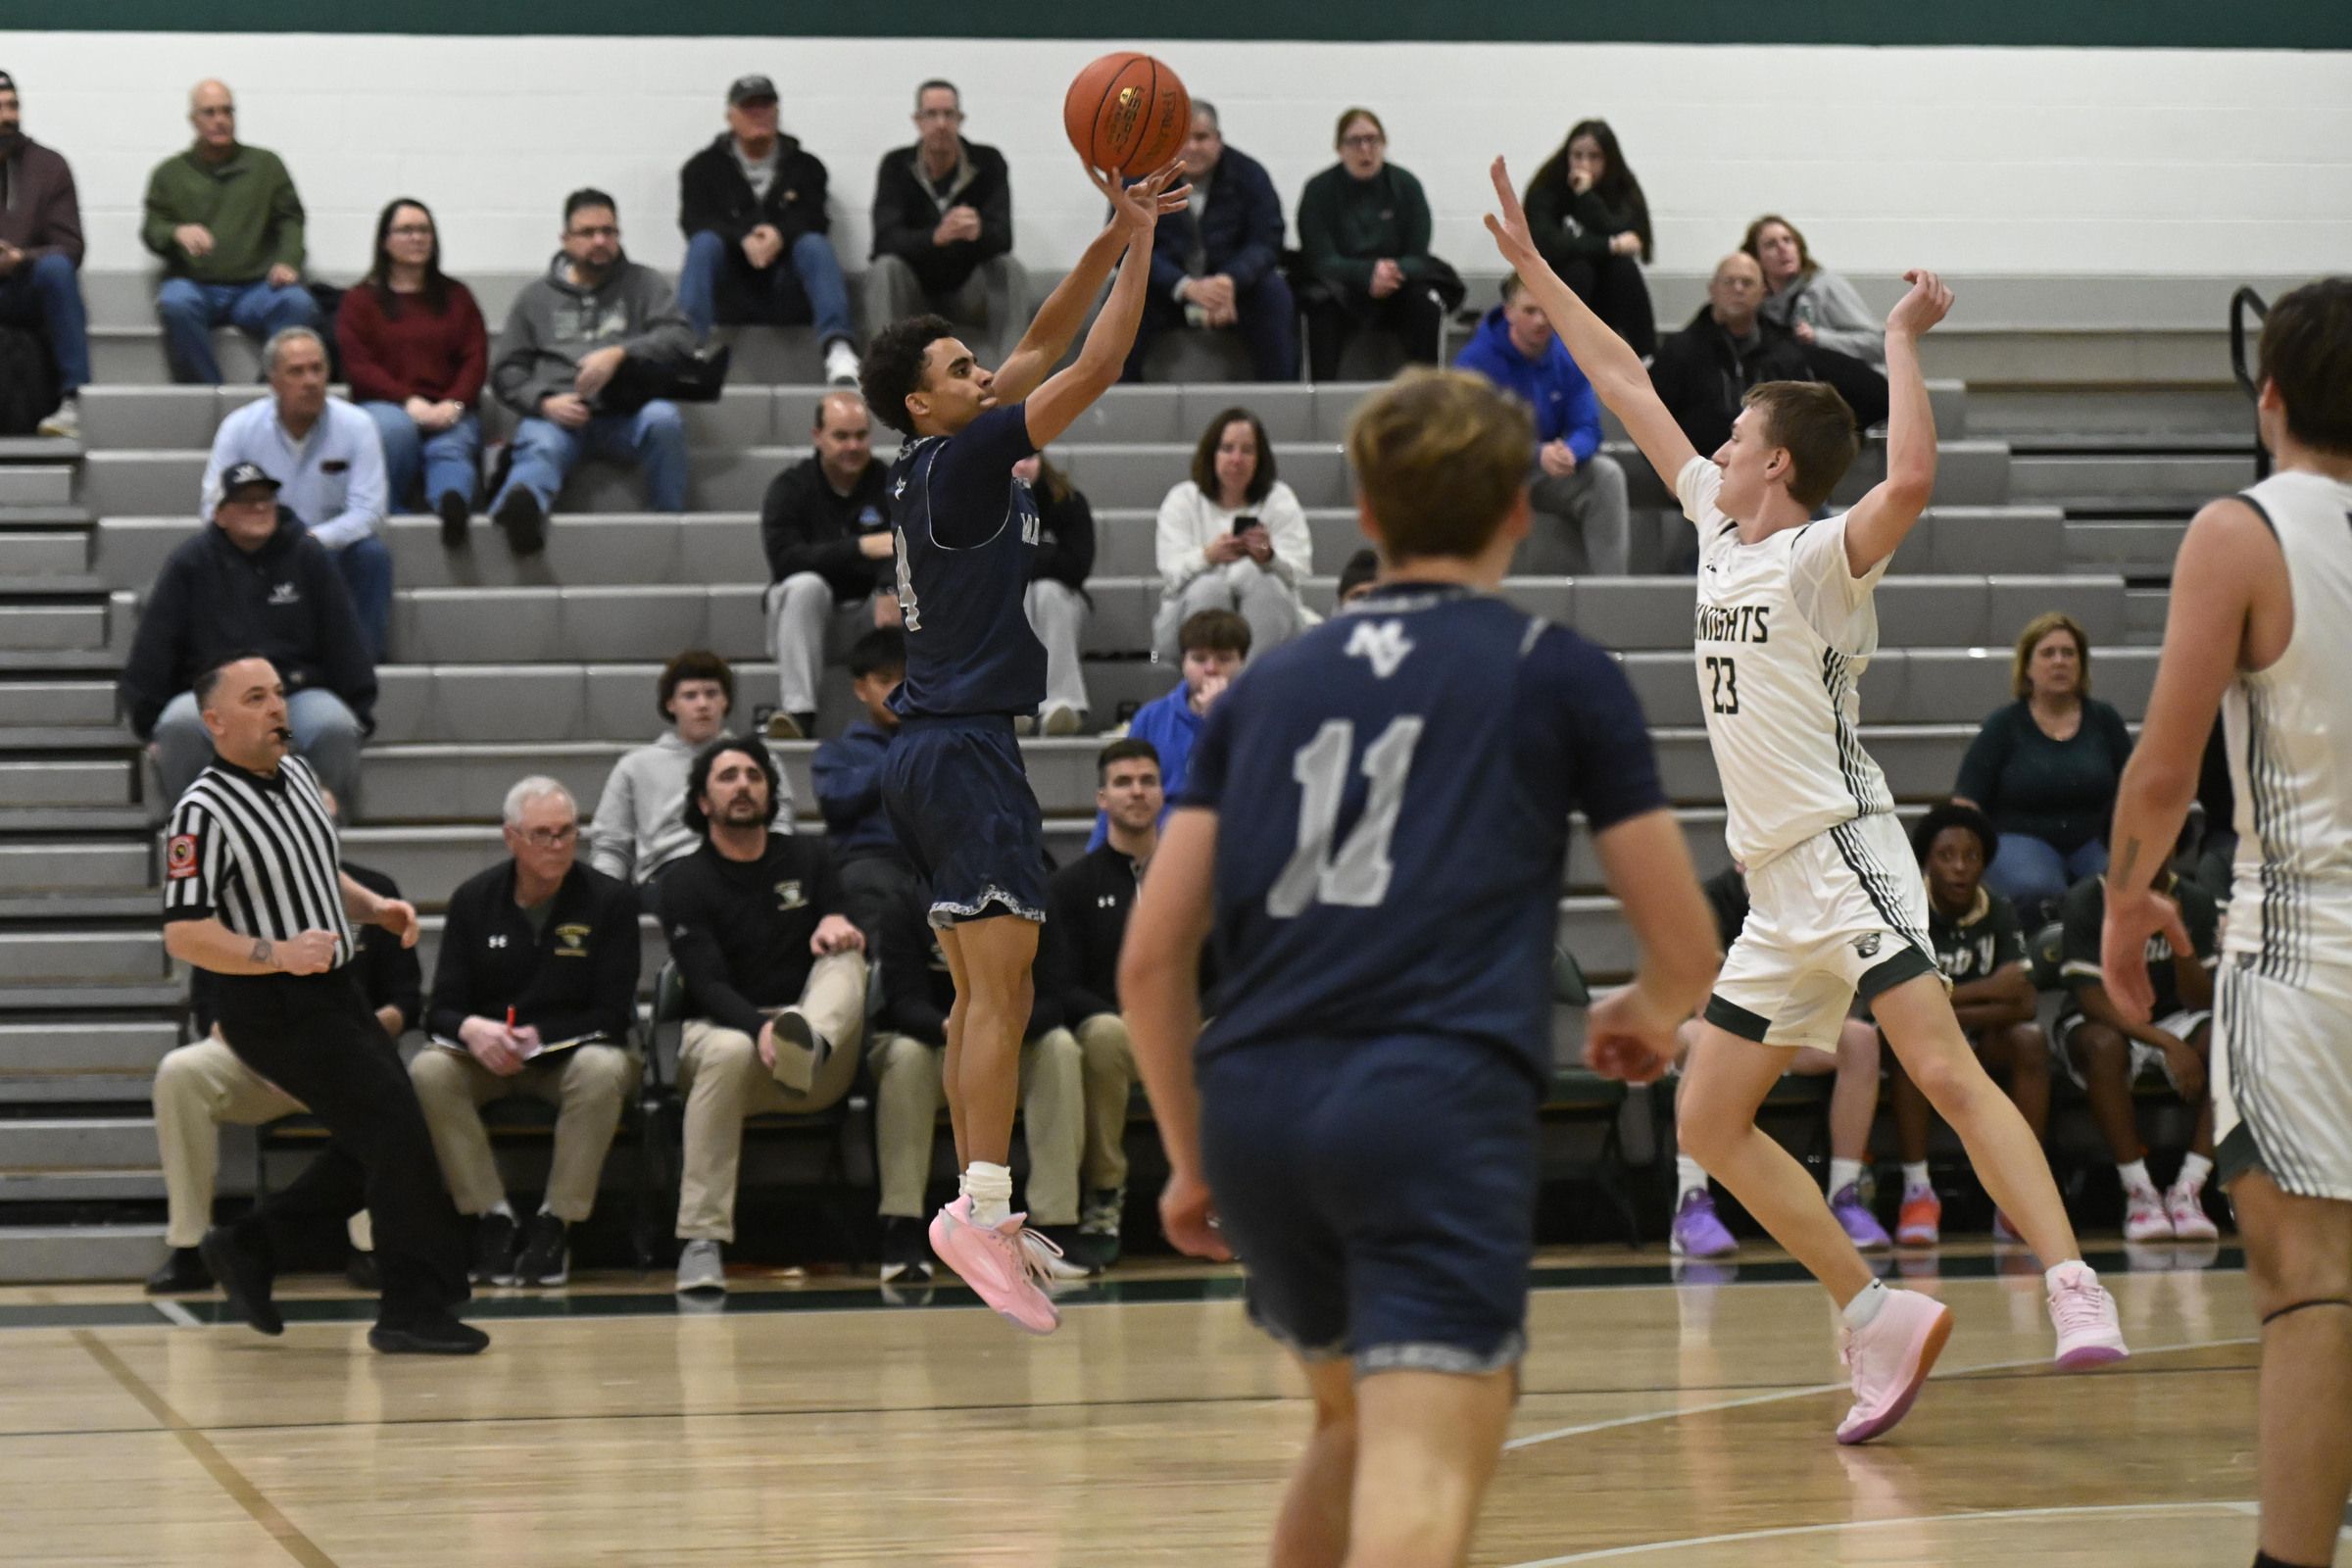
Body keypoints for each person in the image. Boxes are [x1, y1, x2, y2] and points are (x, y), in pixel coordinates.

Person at [1484, 154, 2126, 1443]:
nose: (1713, 445)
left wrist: (1896, 341)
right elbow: (1624, 379)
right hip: (1777, 882)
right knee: (1709, 1116)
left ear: (1775, 466)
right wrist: (1538, 268)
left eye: (1735, 439)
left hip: (1852, 848)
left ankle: (2071, 1282)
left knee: (1939, 1066)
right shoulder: (1721, 534)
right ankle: (1871, 1314)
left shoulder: (1821, 561)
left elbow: (1912, 484)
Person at [1121, 367, 1719, 1566]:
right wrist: (1646, 1016)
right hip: (1429, 1104)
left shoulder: (1262, 687)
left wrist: (1191, 1159)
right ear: (1516, 509)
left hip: (1258, 1109)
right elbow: (1686, 949)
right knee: (1426, 1457)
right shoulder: (1556, 667)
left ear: (1370, 517)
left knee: (1347, 1427)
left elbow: (1149, 960)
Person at [855, 153, 1187, 1334]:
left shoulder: (932, 455)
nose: (981, 370)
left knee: (972, 998)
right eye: (958, 367)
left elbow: (1040, 341)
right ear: (922, 404)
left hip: (931, 749)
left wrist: (1112, 227)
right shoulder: (974, 452)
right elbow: (1093, 359)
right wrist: (1148, 251)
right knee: (1004, 992)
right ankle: (981, 1210)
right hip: (963, 749)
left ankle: (974, 1199)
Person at [2100, 275, 2352, 1568]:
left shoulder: (2242, 532)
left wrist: (2125, 900)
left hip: (2308, 950)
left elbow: (2163, 768)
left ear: (2270, 398)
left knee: (2310, 1291)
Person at [159, 652, 479, 1353]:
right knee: (395, 1131)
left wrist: (373, 906)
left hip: (330, 990)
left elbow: (314, 869)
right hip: (268, 1001)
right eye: (255, 698)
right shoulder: (201, 812)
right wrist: (275, 953)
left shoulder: (300, 774)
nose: (278, 708)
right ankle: (410, 1309)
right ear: (214, 721)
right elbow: (184, 933)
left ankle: (251, 1244)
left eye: (279, 694)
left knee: (384, 1138)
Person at [147, 789, 419, 1297]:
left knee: (378, 1087)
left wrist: (352, 1040)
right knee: (180, 1072)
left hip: (344, 1054)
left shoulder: (375, 892)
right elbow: (210, 1005)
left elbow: (405, 1000)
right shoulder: (234, 896)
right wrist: (276, 1054)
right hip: (258, 1060)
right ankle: (188, 1246)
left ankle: (370, 1248)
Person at [410, 777, 642, 1289]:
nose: (557, 845)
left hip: (566, 1057)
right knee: (428, 1070)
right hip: (488, 1059)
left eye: (566, 832)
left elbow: (612, 1014)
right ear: (511, 837)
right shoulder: (473, 900)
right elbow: (441, 1009)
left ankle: (555, 1223)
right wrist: (474, 1030)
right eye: (542, 834)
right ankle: (492, 1216)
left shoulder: (610, 901)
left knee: (604, 1068)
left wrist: (539, 1037)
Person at [660, 736, 868, 1294]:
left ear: (770, 792)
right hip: (731, 1043)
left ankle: (813, 1042)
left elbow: (840, 925)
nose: (744, 785)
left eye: (754, 775)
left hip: (812, 1048)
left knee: (847, 957)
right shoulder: (682, 881)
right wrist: (763, 1029)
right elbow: (705, 985)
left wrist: (835, 920)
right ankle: (702, 1241)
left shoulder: (810, 857)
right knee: (728, 1048)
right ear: (703, 802)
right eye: (727, 777)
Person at [870, 865, 1093, 1284]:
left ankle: (1055, 1224)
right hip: (935, 1043)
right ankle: (903, 1229)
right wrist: (961, 1030)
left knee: (1060, 1048)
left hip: (1015, 1041)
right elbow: (904, 1002)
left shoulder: (1032, 895)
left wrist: (996, 1033)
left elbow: (1055, 994)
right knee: (904, 1057)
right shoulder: (907, 902)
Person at [1666, 863, 1892, 1259]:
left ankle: (1846, 1196)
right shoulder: (1712, 899)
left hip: (1782, 1027)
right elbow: (1709, 1003)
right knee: (1703, 1035)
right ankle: (1690, 1205)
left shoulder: (1811, 896)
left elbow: (1832, 991)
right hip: (1707, 1028)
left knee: (1860, 1039)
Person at [120, 462, 374, 807]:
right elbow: (155, 646)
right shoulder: (190, 563)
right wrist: (148, 722)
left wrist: (358, 708)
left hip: (294, 695)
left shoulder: (307, 556)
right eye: (245, 500)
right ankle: (195, 828)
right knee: (178, 725)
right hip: (212, 699)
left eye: (265, 499)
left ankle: (320, 827)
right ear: (220, 515)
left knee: (334, 726)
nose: (258, 507)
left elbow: (343, 637)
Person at [486, 189, 696, 555]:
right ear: (566, 240)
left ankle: (669, 520)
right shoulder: (535, 297)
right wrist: (545, 402)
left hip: (627, 412)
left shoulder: (644, 284)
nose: (600, 241)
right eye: (587, 233)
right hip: (559, 417)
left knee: (664, 419)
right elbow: (506, 372)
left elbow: (680, 337)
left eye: (609, 231)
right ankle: (522, 511)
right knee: (541, 443)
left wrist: (620, 352)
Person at [1886, 803, 2050, 1248]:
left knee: (2031, 1042)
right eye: (1946, 855)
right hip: (1920, 1041)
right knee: (1908, 1044)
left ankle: (2019, 1194)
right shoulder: (1905, 910)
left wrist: (1949, 999)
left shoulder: (1997, 909)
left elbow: (2025, 1004)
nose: (1960, 867)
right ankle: (1917, 1192)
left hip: (1981, 1038)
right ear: (1927, 861)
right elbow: (1906, 1010)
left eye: (1971, 856)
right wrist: (1990, 987)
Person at [200, 326, 393, 661]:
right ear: (273, 381)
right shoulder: (240, 427)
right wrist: (262, 540)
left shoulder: (357, 425)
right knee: (211, 553)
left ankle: (363, 665)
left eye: (317, 369)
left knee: (372, 556)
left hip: (330, 549)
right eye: (297, 372)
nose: (310, 381)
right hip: (259, 549)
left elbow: (369, 510)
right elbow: (214, 506)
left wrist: (310, 541)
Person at [2059, 854, 2221, 1243]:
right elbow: (2091, 1000)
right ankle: (2139, 1192)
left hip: (2174, 1015)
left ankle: (2189, 1191)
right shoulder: (2088, 898)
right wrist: (2165, 1043)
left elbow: (2203, 1000)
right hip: (2104, 1018)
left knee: (2231, 1038)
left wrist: (2175, 931)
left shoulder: (2195, 901)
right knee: (2103, 1045)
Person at [1046, 738, 1162, 1265]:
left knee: (1237, 1032)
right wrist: (1118, 1015)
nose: (1137, 792)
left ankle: (1222, 1195)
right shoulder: (1071, 885)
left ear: (1162, 792)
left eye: (1147, 781)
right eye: (1123, 782)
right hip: (1114, 1031)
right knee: (1103, 1034)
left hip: (1185, 1029)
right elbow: (1061, 983)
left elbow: (1230, 971)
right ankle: (1104, 1194)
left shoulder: (1193, 879)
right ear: (1101, 798)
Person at [1953, 612, 2135, 925]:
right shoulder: (2004, 725)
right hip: (2019, 838)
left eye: (2069, 653)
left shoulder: (2105, 720)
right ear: (2027, 668)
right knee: (2037, 889)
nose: (2059, 661)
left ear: (2081, 665)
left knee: (2123, 881)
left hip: (2095, 839)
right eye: (2048, 653)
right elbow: (1966, 801)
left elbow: (2135, 789)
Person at [677, 74, 858, 388]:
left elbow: (815, 218)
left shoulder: (807, 167)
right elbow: (694, 222)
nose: (758, 113)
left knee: (814, 244)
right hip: (731, 287)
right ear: (730, 116)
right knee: (704, 243)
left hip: (787, 286)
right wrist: (743, 238)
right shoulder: (702, 168)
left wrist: (779, 236)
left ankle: (838, 347)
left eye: (766, 105)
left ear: (778, 111)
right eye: (749, 107)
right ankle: (688, 347)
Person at [1454, 271, 1632, 575]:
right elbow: (1473, 438)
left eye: (1547, 310)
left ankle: (1610, 590)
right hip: (1492, 473)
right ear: (1509, 312)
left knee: (1607, 475)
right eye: (1530, 311)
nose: (1540, 320)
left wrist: (1571, 452)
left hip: (1547, 472)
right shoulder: (1474, 362)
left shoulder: (1568, 357)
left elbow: (1588, 426)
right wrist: (1538, 453)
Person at [143, 79, 318, 386]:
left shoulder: (266, 165)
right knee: (175, 301)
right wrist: (176, 232)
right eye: (209, 112)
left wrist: (288, 261)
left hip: (255, 289)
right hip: (196, 287)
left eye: (227, 111)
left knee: (298, 302)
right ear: (194, 121)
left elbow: (291, 219)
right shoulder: (169, 174)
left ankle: (269, 393)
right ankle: (209, 395)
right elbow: (152, 229)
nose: (220, 120)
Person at [337, 197, 487, 548]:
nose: (417, 238)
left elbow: (476, 357)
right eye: (405, 231)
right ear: (385, 241)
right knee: (394, 430)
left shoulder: (457, 296)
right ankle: (390, 510)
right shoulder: (360, 300)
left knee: (452, 447)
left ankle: (453, 507)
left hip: (449, 406)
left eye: (424, 231)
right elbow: (358, 364)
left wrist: (455, 403)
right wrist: (407, 401)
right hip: (388, 405)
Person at [588, 650, 789, 889]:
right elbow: (610, 846)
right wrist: (604, 898)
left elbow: (780, 827)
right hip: (670, 870)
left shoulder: (757, 760)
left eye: (712, 694)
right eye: (690, 696)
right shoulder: (635, 765)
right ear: (671, 704)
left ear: (725, 701)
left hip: (747, 865)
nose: (702, 704)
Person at [1127, 102, 1296, 383]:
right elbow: (1126, 246)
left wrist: (1228, 281)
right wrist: (1185, 286)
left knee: (1274, 294)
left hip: (1233, 290)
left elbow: (1267, 239)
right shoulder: (1142, 179)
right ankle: (1117, 407)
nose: (1192, 147)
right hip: (1165, 291)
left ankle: (1280, 402)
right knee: (1121, 296)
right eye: (1183, 140)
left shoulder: (1250, 175)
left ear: (1218, 140)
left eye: (1202, 137)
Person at [760, 390, 893, 740]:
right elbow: (786, 560)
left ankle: (914, 711)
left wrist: (888, 586)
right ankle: (799, 714)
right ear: (817, 436)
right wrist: (861, 547)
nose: (852, 446)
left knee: (913, 588)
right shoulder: (790, 488)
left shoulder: (893, 485)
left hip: (872, 616)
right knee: (805, 586)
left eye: (861, 435)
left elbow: (910, 547)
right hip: (806, 620)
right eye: (841, 436)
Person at [866, 80, 1023, 350]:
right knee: (884, 269)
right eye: (932, 114)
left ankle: (1015, 378)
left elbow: (1003, 237)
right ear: (917, 121)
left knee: (1009, 268)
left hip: (968, 290)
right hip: (914, 290)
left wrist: (978, 232)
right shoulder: (896, 166)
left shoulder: (988, 162)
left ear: (960, 119)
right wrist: (936, 237)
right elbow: (884, 240)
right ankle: (883, 375)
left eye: (949, 114)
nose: (941, 123)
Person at [1297, 108, 1448, 380]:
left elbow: (1418, 256)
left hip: (1396, 285)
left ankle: (1426, 394)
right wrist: (1368, 274)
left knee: (1425, 306)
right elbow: (1320, 259)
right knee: (1320, 307)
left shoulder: (1406, 185)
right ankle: (1321, 396)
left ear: (1384, 143)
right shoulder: (1319, 190)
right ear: (1338, 148)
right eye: (1354, 141)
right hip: (1341, 289)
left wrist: (1389, 272)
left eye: (1372, 139)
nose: (1365, 149)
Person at [1152, 408, 1312, 659]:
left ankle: (1247, 687)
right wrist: (1208, 556)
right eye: (1227, 449)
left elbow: (1300, 572)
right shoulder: (1182, 499)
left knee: (1266, 582)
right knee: (1208, 587)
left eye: (1247, 450)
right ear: (1211, 454)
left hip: (1270, 621)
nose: (1236, 459)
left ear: (1260, 459)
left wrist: (1270, 559)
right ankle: (1213, 679)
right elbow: (1170, 572)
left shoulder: (1279, 499)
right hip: (1185, 622)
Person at [1089, 609, 1245, 851]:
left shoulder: (1258, 718)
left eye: (1224, 659)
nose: (1211, 670)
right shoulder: (1152, 717)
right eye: (1200, 659)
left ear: (1242, 663)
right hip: (1157, 847)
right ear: (1183, 663)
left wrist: (1215, 721)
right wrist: (1096, 858)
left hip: (1230, 845)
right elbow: (1117, 794)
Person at [1647, 253, 1812, 461]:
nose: (1738, 289)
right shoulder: (1680, 350)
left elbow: (1805, 418)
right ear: (1712, 290)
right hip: (1703, 470)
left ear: (1763, 293)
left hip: (1770, 470)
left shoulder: (1785, 352)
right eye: (1729, 281)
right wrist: (1671, 469)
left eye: (1747, 282)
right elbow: (1648, 415)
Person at [811, 629, 918, 944]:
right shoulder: (839, 752)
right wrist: (904, 757)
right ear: (861, 688)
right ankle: (886, 984)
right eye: (884, 680)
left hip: (942, 862)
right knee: (866, 881)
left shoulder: (946, 747)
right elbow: (837, 801)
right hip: (872, 861)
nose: (898, 691)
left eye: (907, 680)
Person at [0, 72, 88, 437]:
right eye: (0, 108)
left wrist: (21, 257)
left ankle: (74, 401)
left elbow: (71, 247)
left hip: (25, 286)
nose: (8, 116)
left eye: (13, 106)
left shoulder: (49, 165)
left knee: (56, 268)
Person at [1521, 120, 1655, 358]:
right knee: (1578, 268)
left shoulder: (1622, 185)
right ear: (1567, 156)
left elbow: (1634, 236)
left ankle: (1650, 358)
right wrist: (1610, 245)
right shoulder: (1547, 186)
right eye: (1577, 155)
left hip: (1605, 296)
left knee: (1624, 269)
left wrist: (1586, 196)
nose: (1584, 164)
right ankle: (1562, 355)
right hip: (1560, 289)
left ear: (1609, 160)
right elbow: (1547, 245)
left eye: (1594, 157)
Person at [1746, 214, 1886, 368]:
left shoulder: (1825, 286)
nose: (1782, 248)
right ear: (1756, 259)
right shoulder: (1760, 305)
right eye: (1771, 244)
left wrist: (1818, 338)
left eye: (1788, 240)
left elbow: (1876, 344)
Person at [1017, 452, 1095, 734]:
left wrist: (1021, 555)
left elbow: (1076, 568)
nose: (1021, 464)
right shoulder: (981, 501)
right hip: (1005, 599)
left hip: (1064, 602)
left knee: (1048, 592)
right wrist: (1047, 554)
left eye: (1029, 456)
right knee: (1019, 591)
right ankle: (1014, 704)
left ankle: (1062, 706)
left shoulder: (1068, 501)